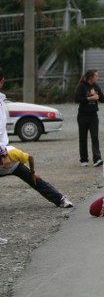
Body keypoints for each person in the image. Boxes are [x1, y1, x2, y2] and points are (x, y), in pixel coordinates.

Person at [0, 67, 73, 208]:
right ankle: (60, 199)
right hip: (4, 154)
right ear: (3, 81)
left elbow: (30, 158)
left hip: (6, 153)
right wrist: (3, 155)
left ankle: (60, 199)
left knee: (29, 174)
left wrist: (32, 171)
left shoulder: (2, 101)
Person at [1, 145, 73, 208]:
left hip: (16, 167)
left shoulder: (13, 152)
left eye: (6, 161)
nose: (5, 165)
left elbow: (30, 158)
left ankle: (61, 200)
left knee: (35, 180)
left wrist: (32, 173)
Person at [74, 69, 104, 167]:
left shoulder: (96, 86)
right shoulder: (82, 86)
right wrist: (89, 98)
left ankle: (97, 158)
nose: (98, 78)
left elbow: (103, 99)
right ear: (91, 77)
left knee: (95, 136)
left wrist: (97, 96)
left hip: (93, 115)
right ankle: (84, 159)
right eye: (96, 76)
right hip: (83, 115)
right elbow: (77, 99)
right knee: (83, 137)